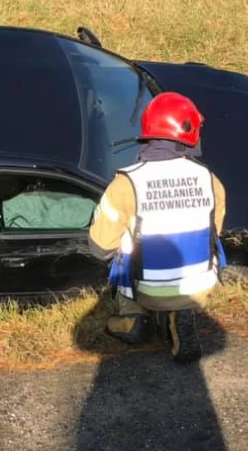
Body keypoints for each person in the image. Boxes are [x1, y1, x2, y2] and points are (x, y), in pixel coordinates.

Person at [88, 92, 226, 363]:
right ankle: (180, 312)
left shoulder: (127, 183)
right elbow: (215, 232)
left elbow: (99, 246)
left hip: (147, 288)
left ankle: (133, 317)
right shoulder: (210, 179)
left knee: (125, 241)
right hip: (200, 283)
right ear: (189, 134)